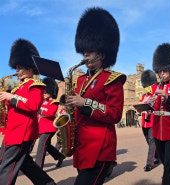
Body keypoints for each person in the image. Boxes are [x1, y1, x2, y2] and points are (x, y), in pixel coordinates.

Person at [66, 7, 126, 185]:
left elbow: (115, 114)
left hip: (100, 146)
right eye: (84, 49)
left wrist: (85, 103)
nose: (85, 53)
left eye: (90, 50)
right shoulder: (80, 79)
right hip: (82, 145)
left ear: (102, 53)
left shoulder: (112, 79)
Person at [0, 38, 56, 185]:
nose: (16, 70)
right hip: (13, 130)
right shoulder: (19, 87)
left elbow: (33, 105)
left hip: (22, 132)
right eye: (16, 67)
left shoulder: (35, 85)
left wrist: (12, 97)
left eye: (19, 67)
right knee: (26, 165)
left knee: (7, 168)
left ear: (30, 68)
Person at [146, 43, 170, 185]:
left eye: (165, 70)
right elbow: (152, 108)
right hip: (157, 130)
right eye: (159, 70)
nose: (161, 73)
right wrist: (148, 102)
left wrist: (169, 99)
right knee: (166, 162)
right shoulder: (154, 88)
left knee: (169, 165)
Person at [35, 77, 65, 169]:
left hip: (49, 128)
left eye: (45, 92)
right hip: (41, 127)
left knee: (41, 145)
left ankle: (38, 167)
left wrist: (38, 110)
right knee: (46, 145)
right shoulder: (43, 101)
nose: (43, 94)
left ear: (51, 92)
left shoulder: (54, 102)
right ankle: (59, 156)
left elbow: (49, 113)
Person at [139, 69, 159, 171]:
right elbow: (139, 109)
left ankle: (149, 164)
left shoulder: (155, 95)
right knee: (148, 140)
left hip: (153, 121)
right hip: (144, 122)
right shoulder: (143, 96)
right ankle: (158, 155)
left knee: (152, 141)